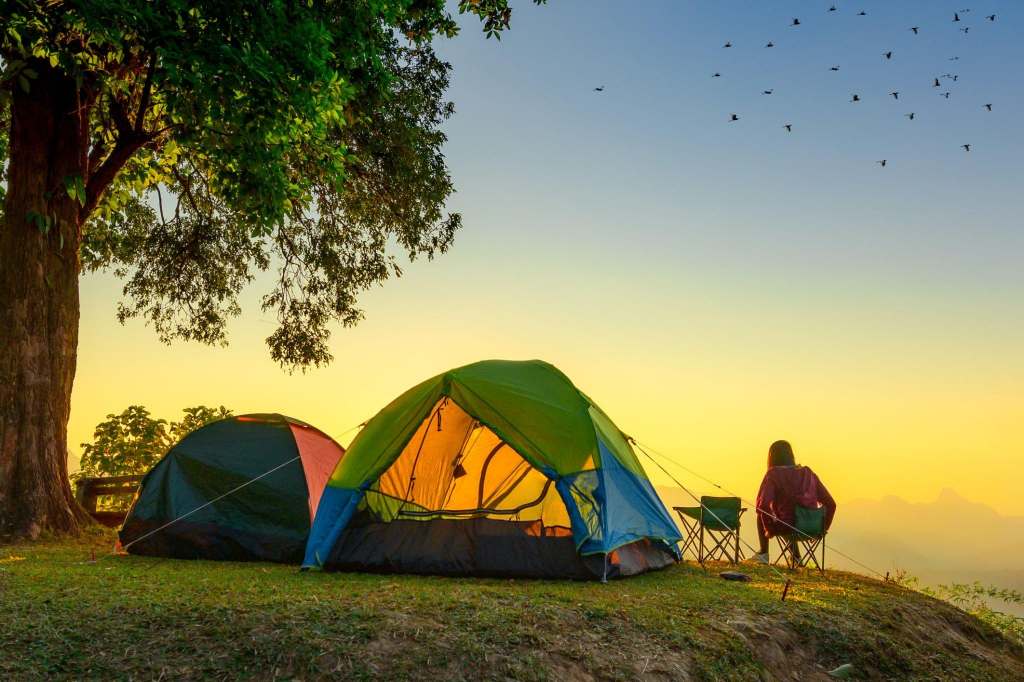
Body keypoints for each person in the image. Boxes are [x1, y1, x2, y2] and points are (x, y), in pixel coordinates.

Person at [753, 440, 836, 563]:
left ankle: (763, 553)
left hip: (788, 526)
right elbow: (831, 504)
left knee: (764, 515)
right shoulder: (809, 473)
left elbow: (763, 505)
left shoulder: (774, 473)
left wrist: (769, 529)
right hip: (813, 527)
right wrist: (822, 529)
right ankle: (796, 557)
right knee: (791, 517)